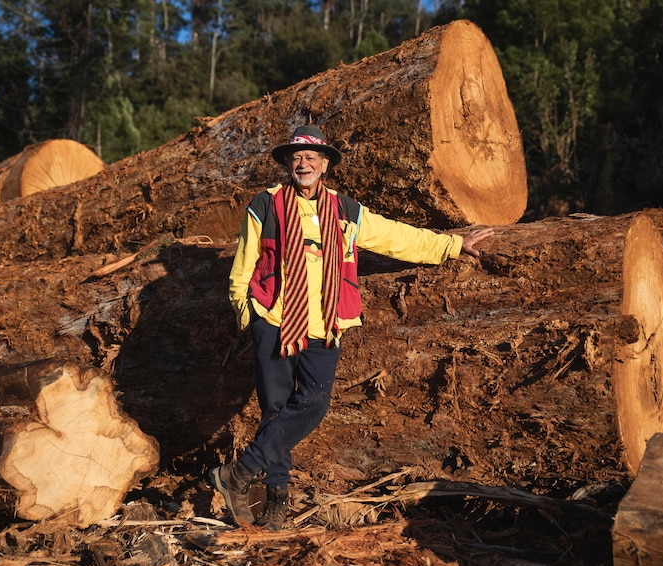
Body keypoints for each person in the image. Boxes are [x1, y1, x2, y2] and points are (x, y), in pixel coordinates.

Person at [210, 125, 494, 531]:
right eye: (297, 157)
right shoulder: (266, 204)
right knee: (275, 410)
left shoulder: (345, 210)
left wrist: (450, 245)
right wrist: (247, 314)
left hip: (325, 323)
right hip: (274, 320)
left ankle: (236, 475)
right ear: (287, 164)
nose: (303, 164)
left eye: (312, 158)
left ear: (324, 164)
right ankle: (276, 504)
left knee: (314, 403)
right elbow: (244, 263)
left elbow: (396, 237)